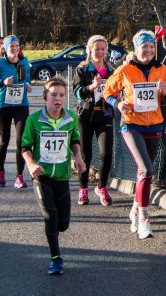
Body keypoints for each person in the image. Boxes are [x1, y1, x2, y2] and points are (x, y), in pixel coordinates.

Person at [103, 29, 166, 239]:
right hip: (131, 124)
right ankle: (145, 219)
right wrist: (118, 104)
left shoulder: (162, 69)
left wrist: (164, 92)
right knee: (146, 170)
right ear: (136, 49)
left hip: (154, 125)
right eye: (144, 47)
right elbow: (107, 92)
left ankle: (135, 209)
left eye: (151, 47)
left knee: (143, 172)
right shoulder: (125, 69)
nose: (148, 50)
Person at [21, 77, 86, 275]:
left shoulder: (71, 119)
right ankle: (56, 259)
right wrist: (31, 163)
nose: (57, 99)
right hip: (42, 176)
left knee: (63, 224)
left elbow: (74, 139)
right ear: (45, 97)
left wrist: (78, 156)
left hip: (62, 175)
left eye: (61, 95)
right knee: (51, 218)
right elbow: (25, 146)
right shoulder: (34, 120)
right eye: (53, 95)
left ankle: (55, 236)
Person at [0, 35, 32, 189]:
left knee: (21, 141)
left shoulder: (24, 62)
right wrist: (2, 82)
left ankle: (19, 177)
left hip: (21, 104)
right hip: (4, 105)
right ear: (5, 48)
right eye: (11, 46)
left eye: (17, 46)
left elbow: (27, 79)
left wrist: (28, 85)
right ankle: (1, 170)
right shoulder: (0, 63)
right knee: (4, 140)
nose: (15, 48)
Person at [72, 35, 115, 206]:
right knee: (85, 154)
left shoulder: (111, 69)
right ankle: (83, 188)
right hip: (86, 115)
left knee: (106, 153)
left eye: (103, 49)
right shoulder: (82, 69)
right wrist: (91, 87)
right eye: (97, 48)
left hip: (104, 115)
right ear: (89, 49)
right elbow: (77, 92)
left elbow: (118, 88)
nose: (100, 52)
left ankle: (102, 187)